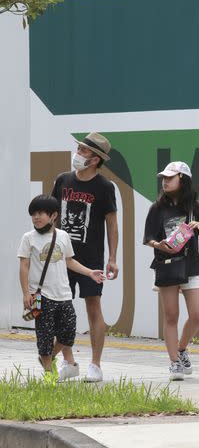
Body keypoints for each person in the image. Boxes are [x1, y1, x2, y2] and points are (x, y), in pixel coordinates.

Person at [51, 132, 118, 382]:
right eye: (78, 148)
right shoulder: (62, 180)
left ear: (95, 159)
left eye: (83, 150)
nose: (78, 154)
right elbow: (52, 215)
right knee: (61, 309)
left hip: (91, 259)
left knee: (93, 307)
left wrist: (112, 257)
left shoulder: (104, 187)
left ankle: (96, 365)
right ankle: (68, 362)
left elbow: (112, 223)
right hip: (61, 257)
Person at [18, 195, 105, 381]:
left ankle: (48, 358)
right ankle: (49, 374)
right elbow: (24, 266)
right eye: (33, 214)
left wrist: (90, 273)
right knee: (45, 336)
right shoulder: (28, 238)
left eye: (40, 213)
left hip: (64, 294)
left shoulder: (63, 236)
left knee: (68, 333)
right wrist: (26, 293)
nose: (36, 217)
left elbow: (69, 261)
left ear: (53, 215)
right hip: (40, 296)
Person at [143, 161, 199, 381]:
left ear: (183, 179)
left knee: (197, 315)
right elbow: (148, 239)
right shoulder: (157, 208)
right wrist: (158, 245)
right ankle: (174, 363)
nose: (164, 181)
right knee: (171, 315)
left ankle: (182, 349)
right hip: (167, 266)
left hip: (191, 265)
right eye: (163, 178)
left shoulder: (195, 207)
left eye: (170, 178)